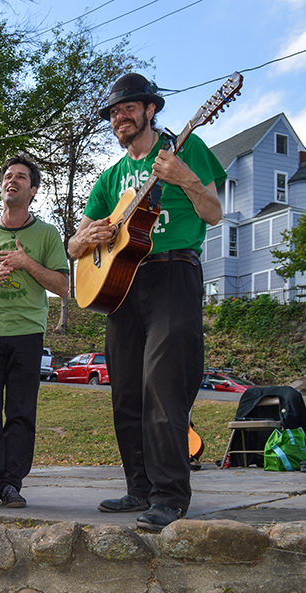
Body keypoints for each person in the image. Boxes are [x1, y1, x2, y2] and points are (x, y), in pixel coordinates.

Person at [67, 73, 226, 531]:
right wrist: (86, 237)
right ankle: (139, 488)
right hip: (120, 285)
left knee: (162, 383)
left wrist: (185, 178)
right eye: (115, 112)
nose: (120, 116)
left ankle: (170, 495)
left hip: (171, 273)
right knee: (127, 392)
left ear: (150, 110)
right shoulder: (110, 177)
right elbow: (75, 245)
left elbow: (214, 213)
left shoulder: (185, 149)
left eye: (129, 108)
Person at [0, 154, 70, 509]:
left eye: (21, 177)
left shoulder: (47, 234)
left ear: (33, 190)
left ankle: (12, 484)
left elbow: (63, 286)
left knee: (22, 412)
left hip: (27, 333)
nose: (12, 180)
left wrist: (26, 263)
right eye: (8, 175)